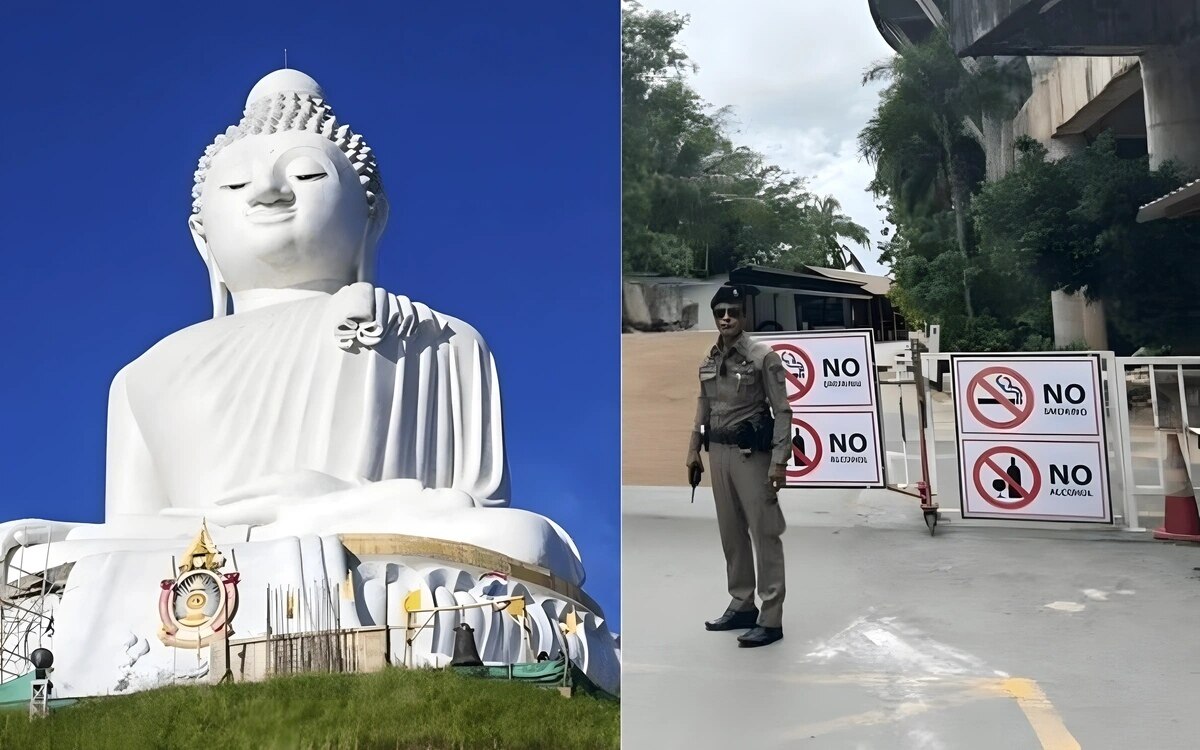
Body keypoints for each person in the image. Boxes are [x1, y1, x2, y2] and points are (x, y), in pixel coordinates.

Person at [686, 286, 792, 648]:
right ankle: (742, 602)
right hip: (718, 453)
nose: (726, 318)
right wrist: (693, 449)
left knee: (764, 533)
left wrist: (779, 462)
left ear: (743, 316)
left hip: (752, 456)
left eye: (733, 311)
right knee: (731, 534)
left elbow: (783, 412)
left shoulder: (764, 357)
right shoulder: (710, 358)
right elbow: (704, 406)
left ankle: (771, 617)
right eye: (720, 313)